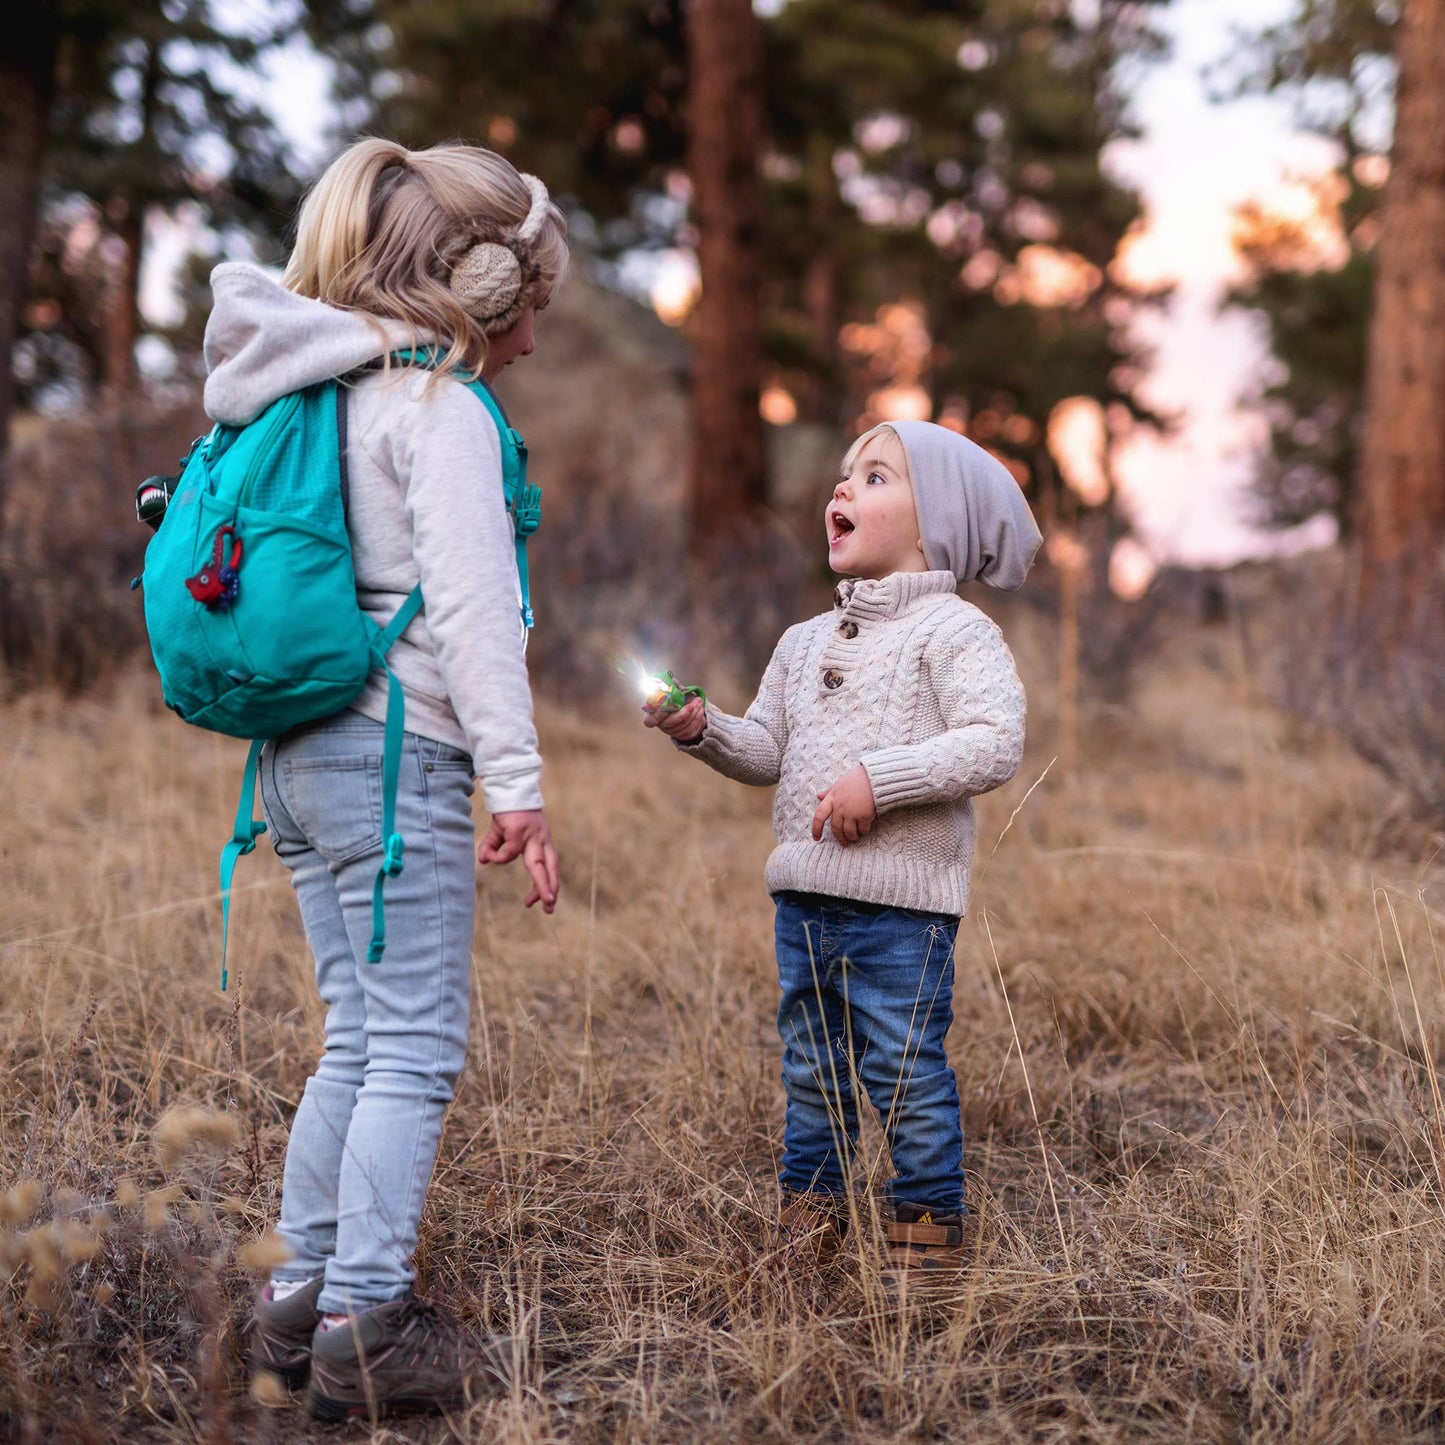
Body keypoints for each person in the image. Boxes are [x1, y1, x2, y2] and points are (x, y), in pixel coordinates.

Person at [213, 137, 565, 1418]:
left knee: (353, 1038)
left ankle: (292, 1306)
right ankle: (370, 1321)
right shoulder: (443, 413)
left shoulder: (319, 395)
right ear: (477, 288)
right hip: (396, 757)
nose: (537, 329)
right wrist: (514, 782)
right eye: (533, 300)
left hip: (297, 760)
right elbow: (474, 615)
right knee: (414, 1048)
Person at [645, 421, 1039, 1282]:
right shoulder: (800, 641)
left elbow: (994, 742)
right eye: (840, 477)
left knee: (903, 1071)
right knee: (811, 1066)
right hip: (804, 901)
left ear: (938, 523)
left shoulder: (954, 632)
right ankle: (808, 1225)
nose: (841, 491)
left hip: (901, 911)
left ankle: (926, 1246)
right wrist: (703, 728)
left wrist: (880, 778)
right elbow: (767, 753)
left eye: (873, 477)